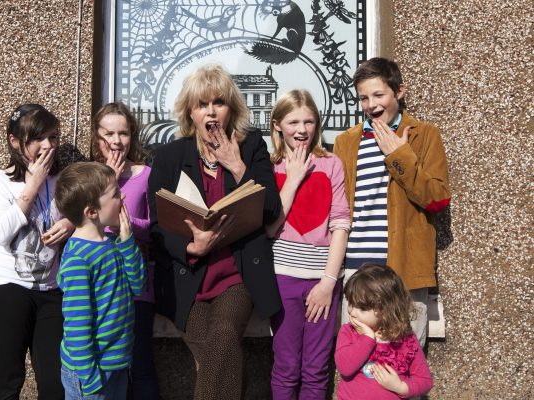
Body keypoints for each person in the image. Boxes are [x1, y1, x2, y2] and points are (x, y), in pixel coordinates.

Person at [147, 64, 283, 400]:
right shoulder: (169, 156)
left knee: (223, 335)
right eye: (201, 104)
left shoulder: (251, 147)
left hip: (236, 275)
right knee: (219, 355)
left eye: (219, 102)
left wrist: (236, 166)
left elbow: (270, 210)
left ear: (231, 109)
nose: (210, 111)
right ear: (190, 113)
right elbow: (156, 228)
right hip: (185, 278)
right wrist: (192, 248)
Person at [334, 57, 451, 346]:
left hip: (403, 266)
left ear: (399, 92)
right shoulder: (347, 141)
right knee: (359, 358)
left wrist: (398, 155)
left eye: (378, 95)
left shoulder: (423, 135)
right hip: (357, 266)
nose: (371, 104)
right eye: (363, 98)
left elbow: (436, 198)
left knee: (404, 360)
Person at [0, 103, 73, 399]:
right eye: (39, 138)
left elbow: (90, 215)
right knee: (10, 378)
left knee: (54, 383)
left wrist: (71, 223)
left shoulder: (63, 181)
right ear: (15, 141)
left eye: (53, 137)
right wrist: (31, 186)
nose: (48, 146)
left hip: (51, 290)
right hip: (8, 287)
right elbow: (1, 232)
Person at [265, 90, 350, 399]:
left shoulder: (331, 164)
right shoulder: (268, 166)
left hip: (323, 281)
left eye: (309, 121)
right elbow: (270, 227)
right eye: (293, 122)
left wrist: (328, 282)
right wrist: (294, 178)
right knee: (286, 367)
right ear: (277, 125)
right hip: (283, 279)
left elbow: (340, 223)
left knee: (316, 370)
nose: (302, 130)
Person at [54, 162, 146, 399]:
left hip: (116, 366)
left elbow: (138, 285)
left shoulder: (113, 244)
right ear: (91, 212)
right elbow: (77, 326)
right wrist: (90, 379)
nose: (123, 196)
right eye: (115, 194)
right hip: (92, 374)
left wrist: (127, 243)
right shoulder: (78, 259)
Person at [90, 102, 158, 399]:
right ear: (97, 136)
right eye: (109, 134)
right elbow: (80, 221)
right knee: (105, 366)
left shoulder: (146, 174)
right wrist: (109, 181)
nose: (117, 142)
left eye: (124, 133)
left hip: (136, 285)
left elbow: (158, 227)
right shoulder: (86, 176)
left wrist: (126, 226)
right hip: (99, 282)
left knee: (141, 364)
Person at [335, 264, 433, 399]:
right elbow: (345, 367)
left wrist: (400, 387)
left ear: (385, 309)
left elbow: (425, 381)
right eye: (351, 303)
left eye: (362, 308)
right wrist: (367, 338)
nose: (352, 312)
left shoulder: (405, 339)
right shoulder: (348, 332)